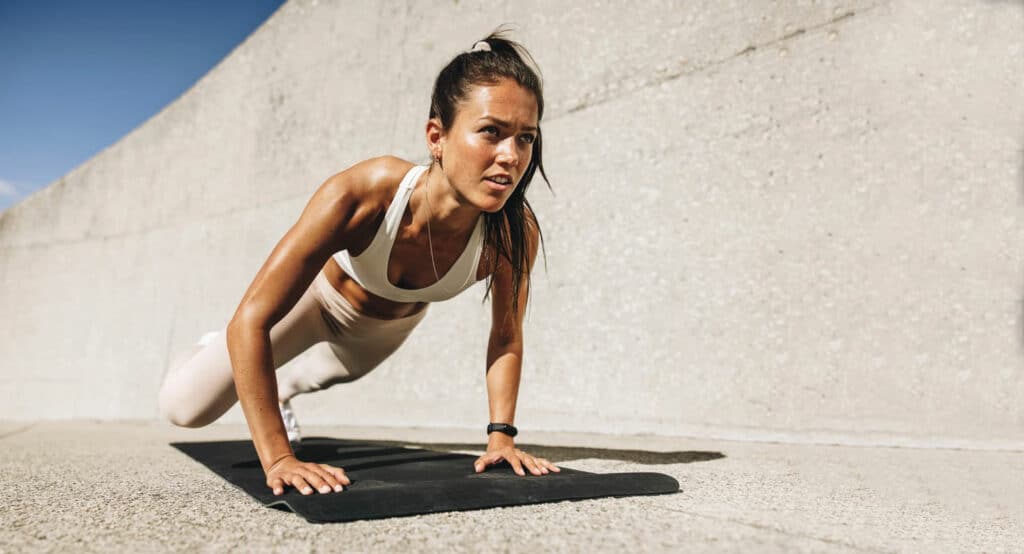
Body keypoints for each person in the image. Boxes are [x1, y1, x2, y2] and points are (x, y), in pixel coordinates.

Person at [158, 31, 561, 497]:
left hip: (383, 331)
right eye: (491, 131)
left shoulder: (512, 232)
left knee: (311, 378)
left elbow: (507, 334)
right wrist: (279, 456)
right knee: (185, 407)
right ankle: (210, 350)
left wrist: (501, 438)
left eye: (525, 138)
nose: (511, 157)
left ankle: (279, 389)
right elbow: (252, 318)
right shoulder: (363, 194)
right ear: (437, 136)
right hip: (317, 305)